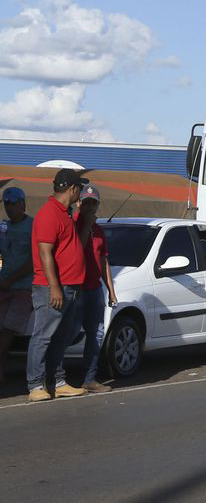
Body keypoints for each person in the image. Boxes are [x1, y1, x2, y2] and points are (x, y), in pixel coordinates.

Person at [25, 169, 89, 401]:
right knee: (43, 335)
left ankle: (57, 381)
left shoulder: (65, 214)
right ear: (72, 189)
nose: (80, 192)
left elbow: (69, 248)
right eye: (79, 188)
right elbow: (45, 253)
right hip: (52, 287)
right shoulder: (49, 213)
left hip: (71, 286)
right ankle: (35, 385)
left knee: (61, 337)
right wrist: (54, 287)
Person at [73, 185, 116, 393]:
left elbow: (103, 260)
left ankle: (89, 378)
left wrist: (111, 289)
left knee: (96, 334)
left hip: (94, 289)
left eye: (93, 202)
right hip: (76, 289)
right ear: (79, 203)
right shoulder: (73, 225)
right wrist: (85, 226)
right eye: (86, 202)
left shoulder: (99, 231)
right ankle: (52, 376)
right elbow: (75, 251)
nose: (90, 206)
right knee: (68, 333)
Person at [0, 187, 34, 383]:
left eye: (14, 203)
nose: (10, 208)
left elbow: (33, 261)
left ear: (23, 204)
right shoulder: (3, 228)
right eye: (6, 204)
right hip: (4, 285)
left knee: (8, 330)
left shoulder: (32, 226)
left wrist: (10, 281)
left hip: (23, 287)